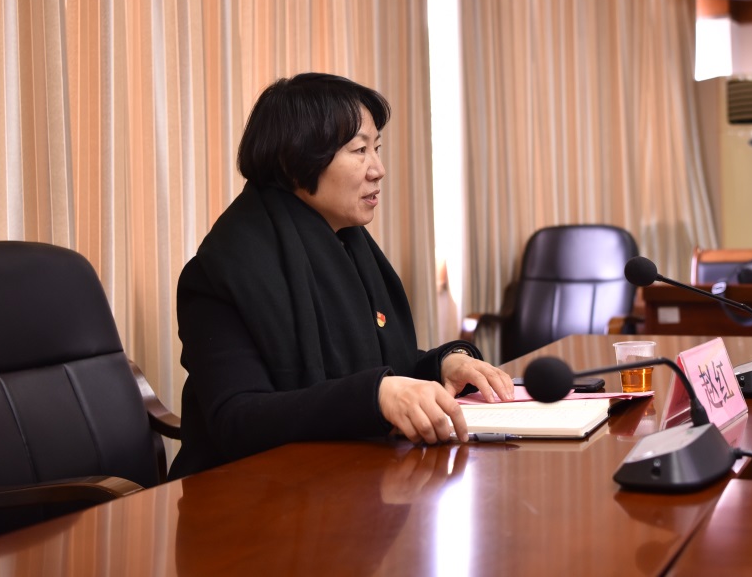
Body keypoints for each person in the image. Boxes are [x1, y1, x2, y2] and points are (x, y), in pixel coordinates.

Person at [169, 72, 514, 479]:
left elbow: (378, 369)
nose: (378, 169)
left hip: (342, 480)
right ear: (295, 160)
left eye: (377, 149)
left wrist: (443, 365)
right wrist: (375, 397)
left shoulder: (348, 245)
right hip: (241, 494)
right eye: (359, 150)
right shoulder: (221, 272)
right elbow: (237, 420)